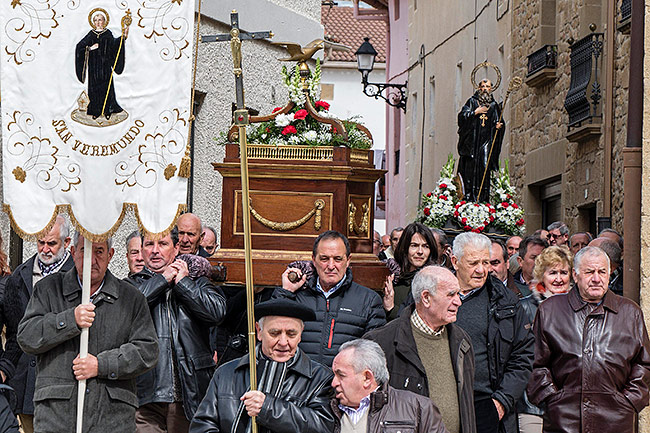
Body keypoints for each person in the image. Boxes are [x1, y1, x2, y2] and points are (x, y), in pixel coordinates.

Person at [17, 233, 158, 432]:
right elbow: (27, 337)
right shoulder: (48, 290)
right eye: (85, 250)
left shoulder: (131, 298)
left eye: (99, 251)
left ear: (110, 255)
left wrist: (101, 364)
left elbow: (147, 351)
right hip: (57, 417)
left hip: (111, 418)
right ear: (73, 252)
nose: (92, 259)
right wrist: (69, 320)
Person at [527, 246, 650, 433]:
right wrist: (552, 399)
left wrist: (628, 401)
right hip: (564, 420)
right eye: (589, 272)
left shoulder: (629, 312)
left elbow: (643, 364)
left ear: (610, 274)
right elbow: (535, 363)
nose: (596, 279)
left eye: (602, 272)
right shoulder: (550, 310)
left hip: (616, 421)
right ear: (575, 276)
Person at [127, 228, 227, 430]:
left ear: (176, 249)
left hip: (190, 393)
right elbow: (130, 308)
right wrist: (163, 279)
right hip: (146, 397)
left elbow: (217, 312)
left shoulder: (195, 282)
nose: (155, 251)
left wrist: (182, 283)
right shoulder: (130, 286)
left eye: (162, 244)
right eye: (149, 245)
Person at [190, 298, 336, 433]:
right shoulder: (226, 373)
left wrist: (268, 408)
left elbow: (323, 426)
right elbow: (203, 425)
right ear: (259, 332)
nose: (283, 342)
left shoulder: (320, 378)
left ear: (301, 334)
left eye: (291, 334)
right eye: (275, 333)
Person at [365, 266, 476, 433]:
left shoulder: (462, 341)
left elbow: (467, 407)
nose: (459, 301)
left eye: (458, 294)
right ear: (426, 298)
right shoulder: (381, 342)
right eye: (450, 295)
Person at [452, 232, 534, 433]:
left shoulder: (506, 301)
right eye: (473, 263)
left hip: (487, 404)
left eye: (485, 262)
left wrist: (502, 401)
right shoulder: (435, 292)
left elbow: (523, 355)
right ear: (455, 262)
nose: (481, 270)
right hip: (443, 402)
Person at [2, 215, 74, 433]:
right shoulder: (19, 276)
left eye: (52, 243)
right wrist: (6, 369)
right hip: (25, 384)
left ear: (67, 243)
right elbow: (14, 332)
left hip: (63, 384)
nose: (45, 249)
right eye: (40, 242)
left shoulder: (79, 276)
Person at [277, 230, 386, 367]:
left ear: (348, 261)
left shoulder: (368, 300)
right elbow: (273, 336)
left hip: (343, 384)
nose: (330, 266)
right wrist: (286, 292)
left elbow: (373, 357)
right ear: (314, 260)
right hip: (298, 383)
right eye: (324, 259)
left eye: (338, 259)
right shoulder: (297, 296)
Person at [331, 339, 448, 433]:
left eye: (341, 375)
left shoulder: (419, 408)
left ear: (367, 378)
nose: (333, 383)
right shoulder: (326, 409)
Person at [457, 78, 505, 202]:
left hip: (486, 142)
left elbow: (498, 122)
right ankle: (469, 196)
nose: (485, 88)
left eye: (487, 86)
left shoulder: (494, 106)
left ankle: (483, 197)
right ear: (479, 88)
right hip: (472, 142)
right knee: (470, 168)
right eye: (482, 86)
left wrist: (498, 127)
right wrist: (475, 112)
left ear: (491, 89)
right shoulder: (472, 102)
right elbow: (462, 117)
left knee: (484, 166)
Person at [75, 10, 127, 119]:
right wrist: (89, 48)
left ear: (104, 21)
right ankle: (95, 111)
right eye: (96, 20)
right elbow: (80, 46)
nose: (98, 22)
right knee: (94, 89)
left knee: (106, 87)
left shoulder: (107, 33)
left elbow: (114, 45)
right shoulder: (91, 34)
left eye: (100, 20)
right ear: (93, 22)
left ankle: (108, 111)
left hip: (105, 67)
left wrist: (122, 38)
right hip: (93, 68)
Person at [382, 222, 438, 321]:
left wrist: (391, 309)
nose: (420, 251)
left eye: (425, 246)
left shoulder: (434, 281)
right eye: (414, 245)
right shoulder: (391, 276)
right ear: (404, 248)